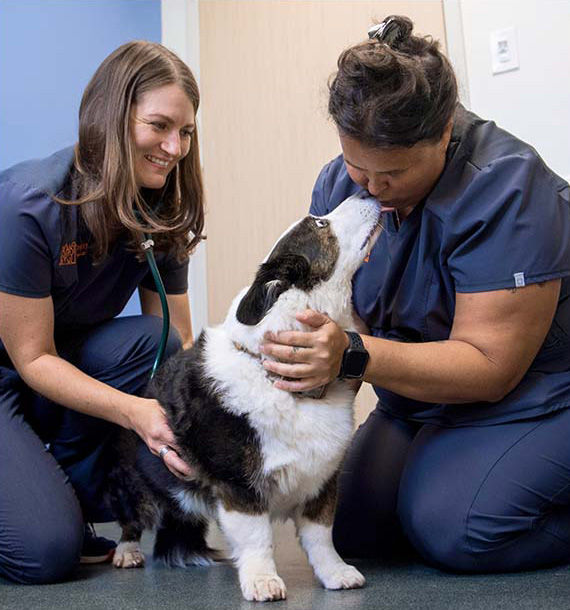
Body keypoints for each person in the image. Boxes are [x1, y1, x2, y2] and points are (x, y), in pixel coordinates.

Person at [260, 16, 570, 573]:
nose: (372, 190)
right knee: (348, 527)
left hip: (538, 395)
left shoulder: (508, 188)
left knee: (457, 529)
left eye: (393, 174)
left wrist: (351, 354)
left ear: (444, 133)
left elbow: (490, 365)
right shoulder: (341, 186)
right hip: (421, 399)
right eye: (359, 168)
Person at [0, 41, 204, 584]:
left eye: (185, 132)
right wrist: (135, 414)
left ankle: (53, 491)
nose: (175, 146)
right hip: (20, 367)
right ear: (112, 117)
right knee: (44, 553)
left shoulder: (157, 206)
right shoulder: (29, 204)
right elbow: (33, 358)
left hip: (58, 368)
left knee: (151, 341)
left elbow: (174, 337)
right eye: (160, 126)